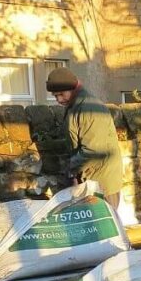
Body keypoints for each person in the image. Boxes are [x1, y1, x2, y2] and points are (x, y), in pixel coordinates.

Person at [46, 67, 124, 208]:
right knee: (93, 227)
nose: (58, 99)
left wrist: (72, 169)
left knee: (104, 227)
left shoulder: (88, 108)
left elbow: (93, 150)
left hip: (102, 181)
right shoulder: (76, 105)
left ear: (73, 88)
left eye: (61, 94)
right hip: (93, 176)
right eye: (55, 95)